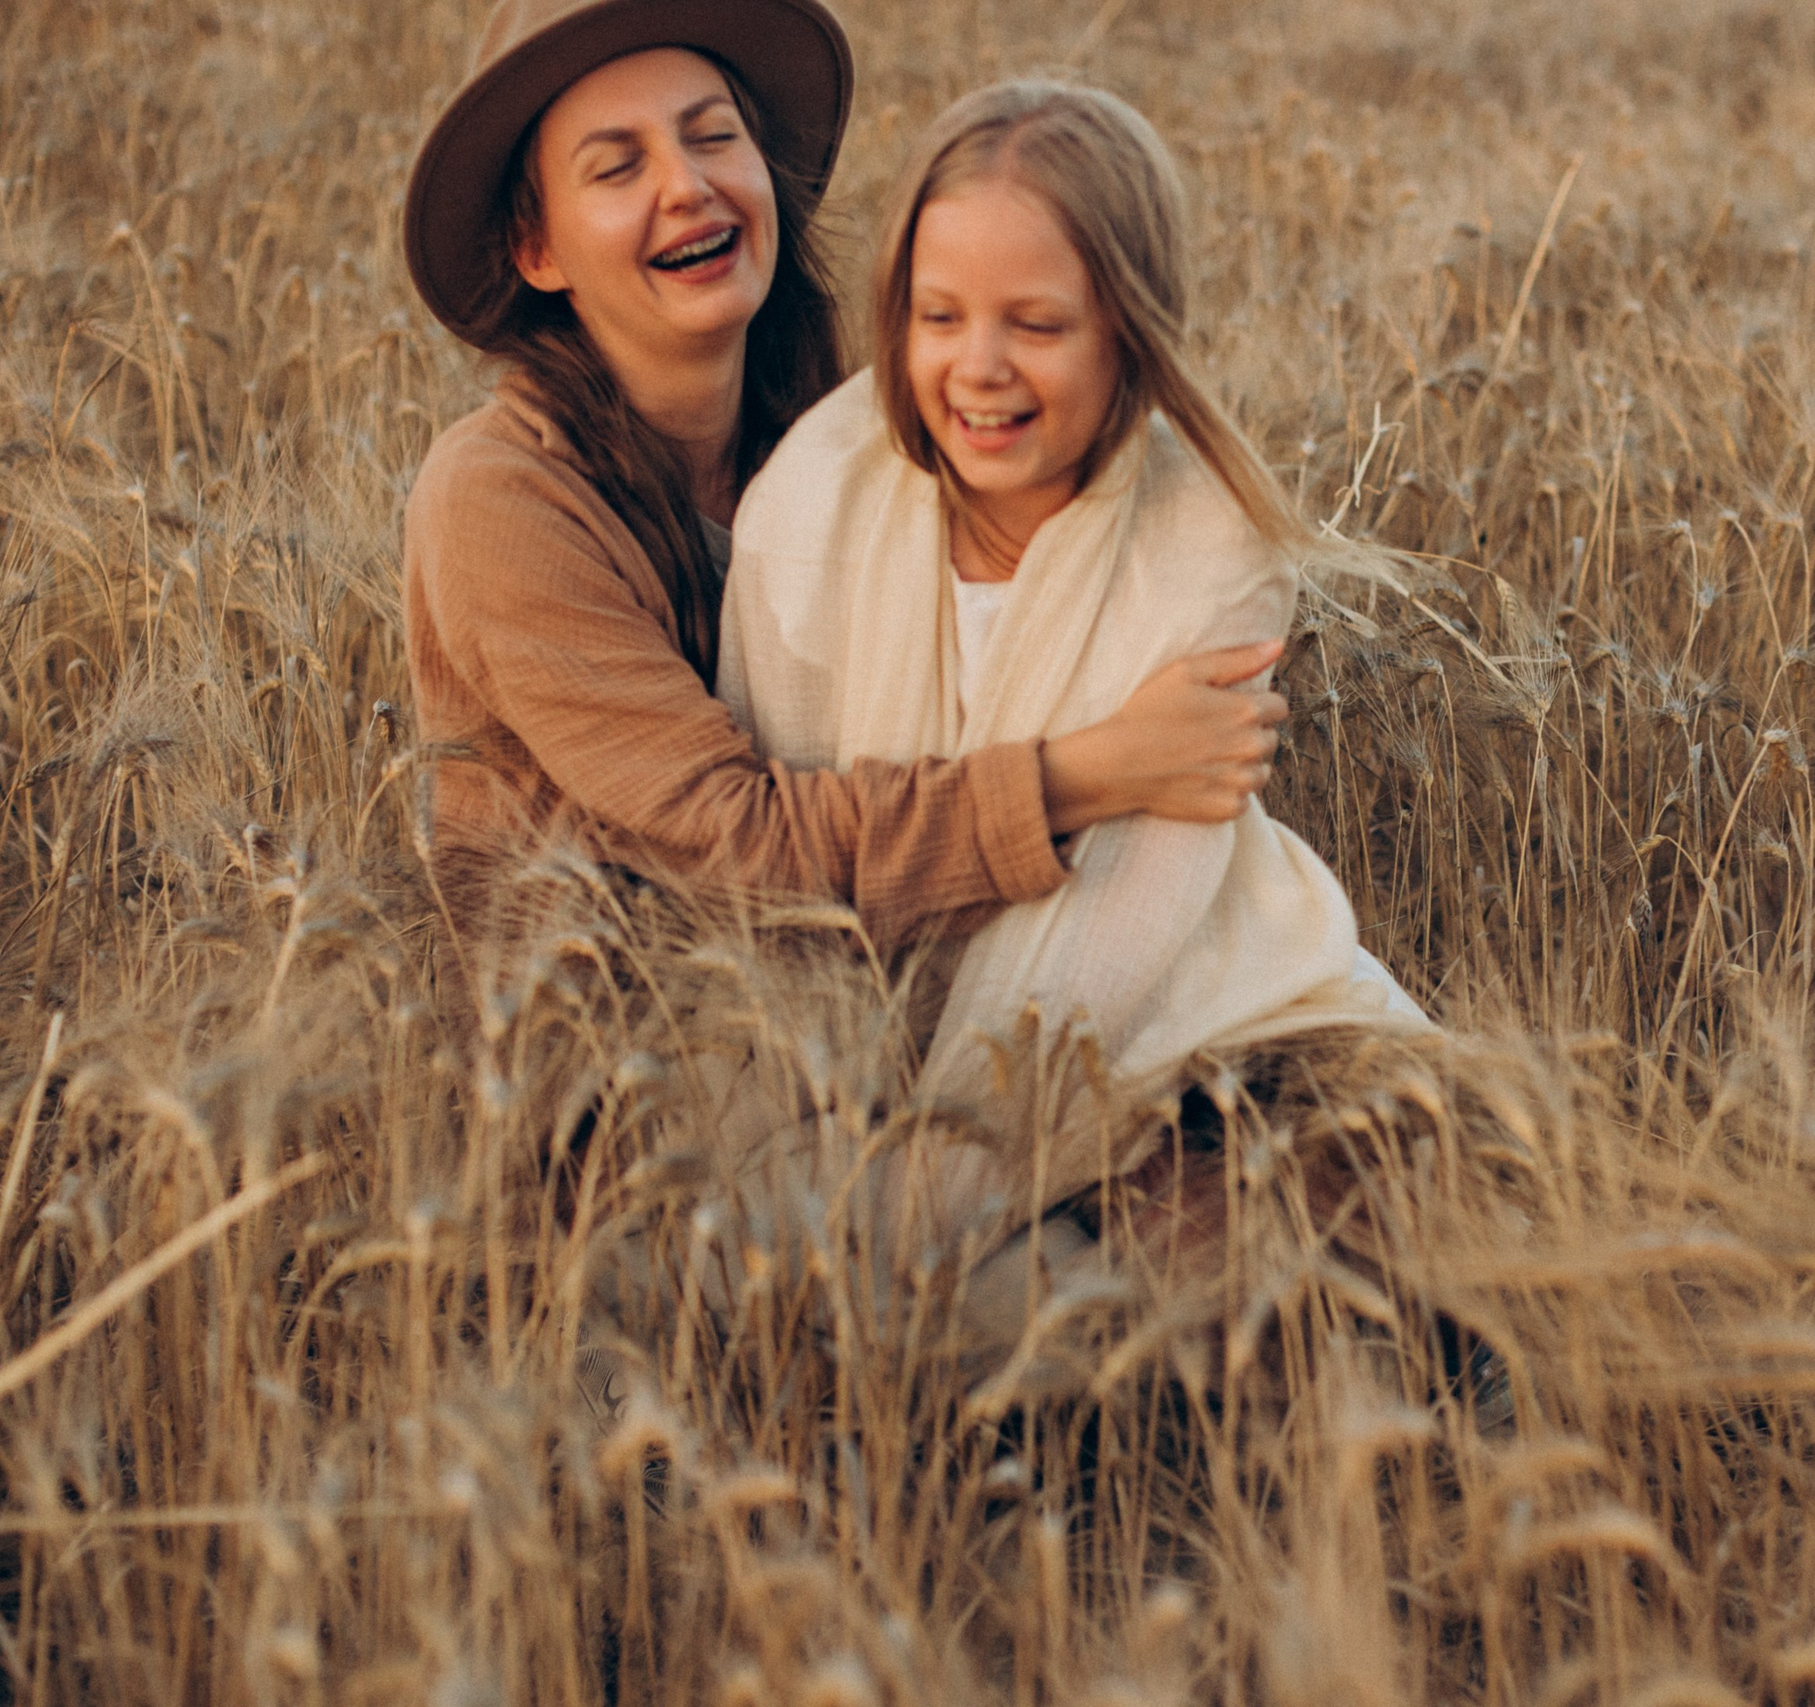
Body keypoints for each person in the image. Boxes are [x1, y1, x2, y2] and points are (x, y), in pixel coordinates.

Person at [397, 0, 1294, 963]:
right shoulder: (499, 499)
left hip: (870, 996)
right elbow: (731, 847)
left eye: (714, 137)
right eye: (618, 167)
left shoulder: (839, 447)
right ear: (536, 249)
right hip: (627, 1053)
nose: (688, 186)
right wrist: (1092, 774)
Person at [718, 81, 1432, 1253]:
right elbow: (783, 884)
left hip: (1179, 1015)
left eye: (1036, 325)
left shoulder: (1212, 544)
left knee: (1408, 1211)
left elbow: (1102, 947)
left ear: (1130, 334)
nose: (978, 367)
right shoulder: (810, 502)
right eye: (938, 317)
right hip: (867, 1053)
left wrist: (912, 1227)